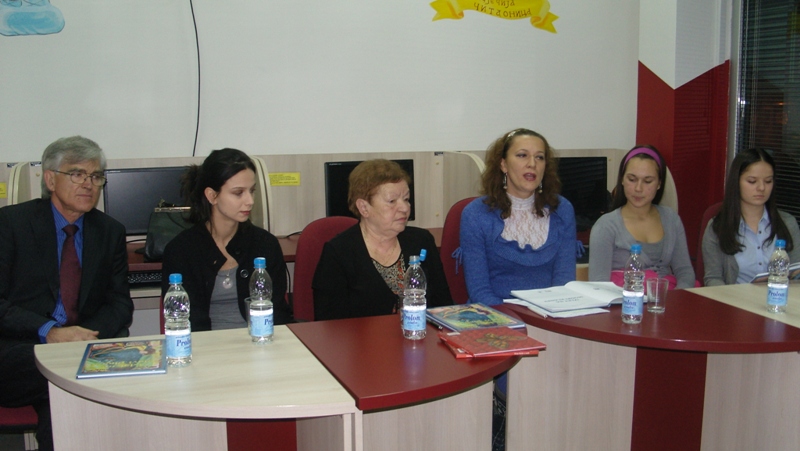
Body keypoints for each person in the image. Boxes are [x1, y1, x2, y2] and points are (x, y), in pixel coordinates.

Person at [0, 136, 134, 451]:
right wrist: (50, 332)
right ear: (50, 179)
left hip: (82, 351)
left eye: (96, 176)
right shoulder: (11, 224)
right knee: (74, 385)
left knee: (63, 401)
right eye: (77, 174)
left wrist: (84, 337)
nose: (89, 184)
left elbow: (119, 304)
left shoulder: (110, 231)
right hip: (22, 350)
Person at [161, 148, 290, 330]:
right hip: (206, 344)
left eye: (252, 191)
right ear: (212, 196)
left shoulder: (265, 244)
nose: (250, 201)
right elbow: (187, 322)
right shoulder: (182, 250)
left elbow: (278, 314)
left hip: (260, 339)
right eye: (238, 193)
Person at [313, 159, 452, 320]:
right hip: (359, 337)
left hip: (419, 332)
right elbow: (329, 324)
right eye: (392, 201)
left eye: (406, 199)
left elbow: (444, 307)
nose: (405, 208)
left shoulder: (421, 241)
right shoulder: (339, 252)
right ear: (364, 208)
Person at [460, 128, 577, 306]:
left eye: (539, 157)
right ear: (503, 165)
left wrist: (548, 316)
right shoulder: (475, 214)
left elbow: (564, 283)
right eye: (522, 155)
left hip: (548, 314)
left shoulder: (561, 210)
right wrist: (513, 319)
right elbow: (479, 291)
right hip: (494, 314)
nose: (532, 164)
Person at [588, 145, 695, 288]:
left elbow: (685, 271)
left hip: (668, 296)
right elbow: (598, 284)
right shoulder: (606, 226)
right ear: (622, 180)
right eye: (632, 179)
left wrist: (676, 297)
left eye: (647, 181)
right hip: (623, 298)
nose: (638, 188)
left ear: (659, 183)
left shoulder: (671, 219)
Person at [702, 148, 800, 286]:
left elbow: (796, 272)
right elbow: (713, 278)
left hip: (779, 296)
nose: (761, 188)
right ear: (736, 182)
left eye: (768, 181)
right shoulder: (717, 227)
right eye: (752, 181)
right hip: (734, 298)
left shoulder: (788, 223)